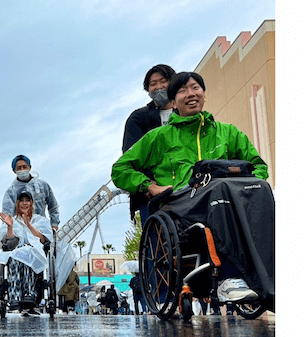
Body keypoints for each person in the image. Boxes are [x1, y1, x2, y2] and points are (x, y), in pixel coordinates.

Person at [111, 72, 273, 307]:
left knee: (261, 188)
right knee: (220, 189)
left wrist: (251, 191)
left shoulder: (228, 133)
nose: (191, 94)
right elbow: (120, 168)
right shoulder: (160, 137)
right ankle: (228, 278)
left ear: (204, 94)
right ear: (173, 102)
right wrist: (150, 187)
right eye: (182, 91)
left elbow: (258, 166)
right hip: (180, 203)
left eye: (195, 87)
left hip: (227, 200)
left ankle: (273, 278)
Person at [122, 64, 176, 226]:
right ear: (148, 89)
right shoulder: (138, 118)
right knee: (157, 244)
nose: (158, 87)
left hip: (185, 189)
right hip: (152, 195)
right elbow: (130, 156)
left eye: (163, 81)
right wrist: (149, 185)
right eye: (153, 84)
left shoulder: (185, 114)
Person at [0, 191, 54, 316]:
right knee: (18, 254)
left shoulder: (40, 220)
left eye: (27, 200)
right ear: (17, 203)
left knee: (28, 253)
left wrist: (29, 226)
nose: (24, 203)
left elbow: (45, 240)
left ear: (32, 203)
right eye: (21, 200)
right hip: (17, 254)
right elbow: (9, 244)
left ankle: (29, 294)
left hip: (35, 255)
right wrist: (10, 227)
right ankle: (15, 296)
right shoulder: (12, 220)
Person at [2, 155, 60, 230]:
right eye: (19, 168)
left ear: (30, 167)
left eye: (24, 167)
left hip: (42, 229)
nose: (22, 170)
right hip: (22, 231)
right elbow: (8, 215)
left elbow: (53, 206)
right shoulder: (10, 192)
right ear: (14, 171)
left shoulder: (42, 185)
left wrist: (54, 224)